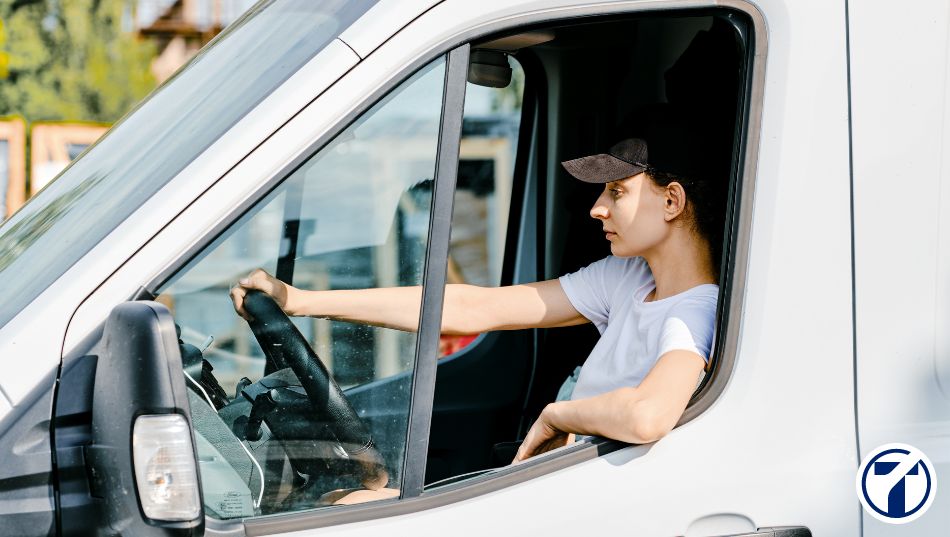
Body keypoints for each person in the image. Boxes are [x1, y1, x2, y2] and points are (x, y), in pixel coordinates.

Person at [230, 129, 725, 465]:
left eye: (617, 192)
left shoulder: (695, 312)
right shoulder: (628, 279)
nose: (597, 208)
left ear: (672, 201)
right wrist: (299, 299)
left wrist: (559, 412)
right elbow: (473, 307)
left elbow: (647, 415)